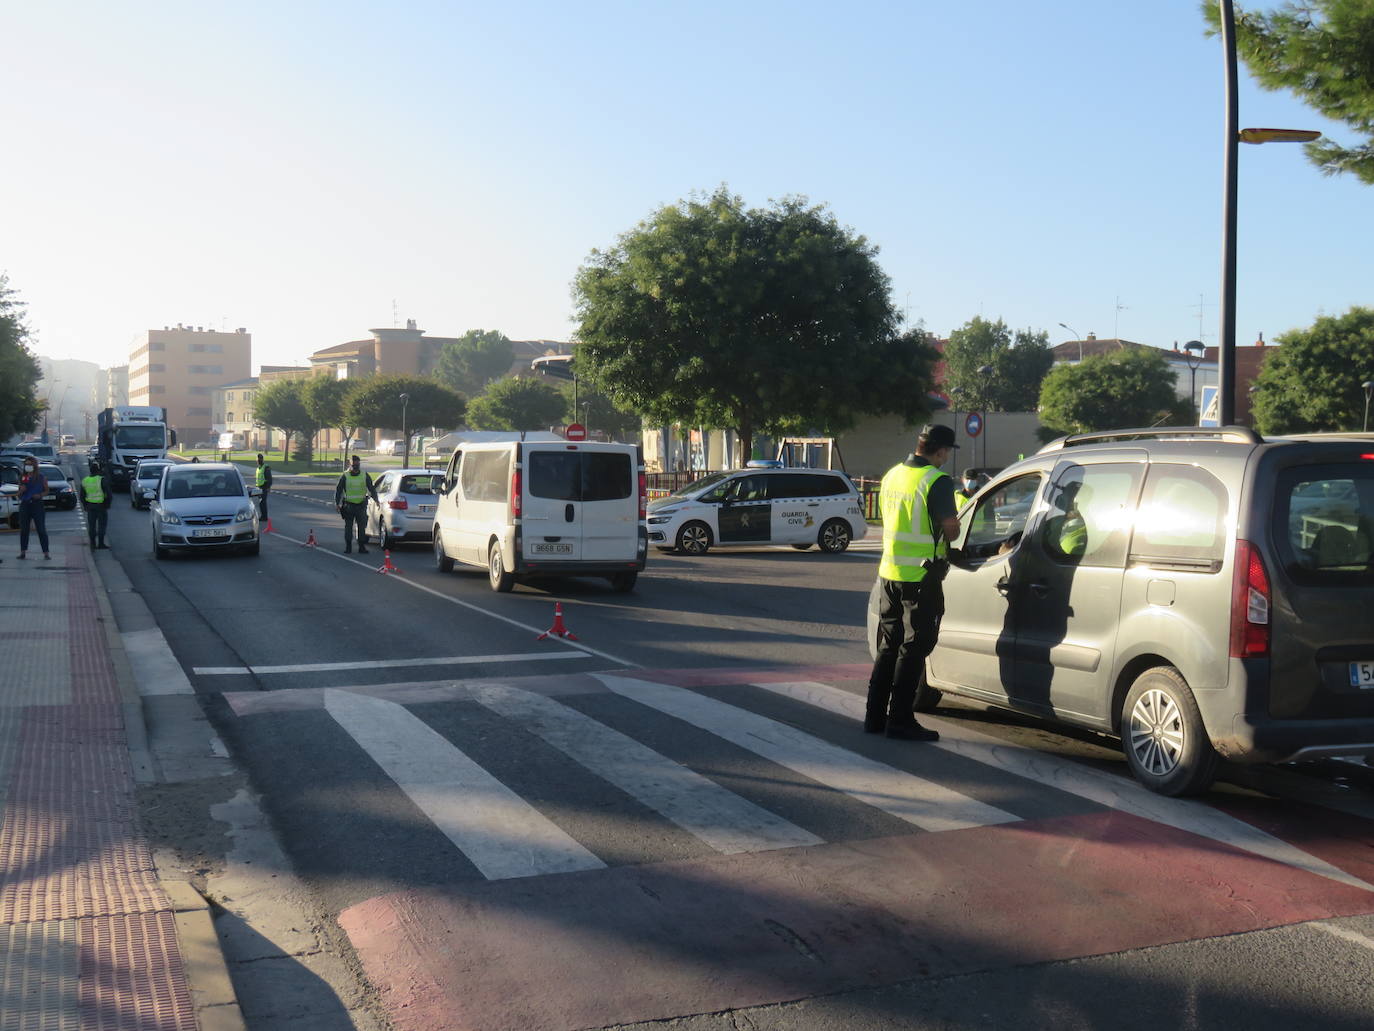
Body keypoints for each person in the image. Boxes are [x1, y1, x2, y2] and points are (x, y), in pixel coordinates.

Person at [864, 424, 962, 741]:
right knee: (915, 646)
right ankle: (901, 720)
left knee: (888, 645)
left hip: (889, 572)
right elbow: (951, 530)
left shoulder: (893, 475)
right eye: (947, 452)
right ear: (940, 450)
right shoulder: (937, 481)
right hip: (921, 576)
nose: (946, 457)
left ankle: (875, 717)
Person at [334, 453, 379, 554]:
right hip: (353, 506)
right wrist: (337, 503)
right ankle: (355, 547)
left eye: (356, 465)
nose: (355, 467)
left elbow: (371, 488)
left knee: (357, 527)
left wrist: (376, 499)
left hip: (356, 506)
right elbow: (339, 490)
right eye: (355, 465)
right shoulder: (351, 475)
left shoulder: (354, 475)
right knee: (354, 527)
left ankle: (355, 547)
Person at [16, 456, 51, 560]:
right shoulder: (22, 477)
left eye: (30, 464)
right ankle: (23, 552)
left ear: (34, 465)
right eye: (26, 464)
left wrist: (40, 495)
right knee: (24, 530)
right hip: (25, 504)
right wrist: (21, 491)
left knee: (41, 529)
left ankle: (46, 553)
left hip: (37, 504)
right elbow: (18, 495)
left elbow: (47, 491)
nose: (28, 466)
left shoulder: (41, 477)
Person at [81, 459, 114, 550]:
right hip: (101, 506)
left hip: (90, 506)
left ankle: (92, 544)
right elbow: (109, 494)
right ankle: (101, 543)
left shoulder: (85, 480)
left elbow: (82, 496)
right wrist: (108, 504)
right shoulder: (101, 480)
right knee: (101, 525)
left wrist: (85, 506)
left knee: (91, 526)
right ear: (98, 471)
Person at [254, 452, 272, 519]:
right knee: (261, 502)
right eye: (258, 459)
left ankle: (264, 517)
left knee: (262, 502)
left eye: (260, 459)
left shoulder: (266, 467)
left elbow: (269, 478)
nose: (258, 460)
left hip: (264, 487)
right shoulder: (259, 468)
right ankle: (263, 516)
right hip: (259, 487)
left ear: (262, 459)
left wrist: (268, 487)